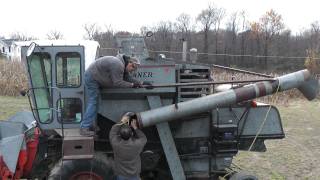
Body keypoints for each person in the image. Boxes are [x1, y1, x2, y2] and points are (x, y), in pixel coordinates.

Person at [80, 54, 150, 136]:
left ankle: (91, 125)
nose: (132, 71)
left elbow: (128, 78)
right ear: (130, 64)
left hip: (95, 77)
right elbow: (117, 83)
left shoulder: (123, 65)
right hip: (92, 77)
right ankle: (84, 127)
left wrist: (141, 83)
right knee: (93, 102)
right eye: (132, 69)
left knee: (96, 102)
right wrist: (132, 85)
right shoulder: (118, 65)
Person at [109, 112, 147, 180]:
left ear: (120, 135)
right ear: (132, 134)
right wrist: (135, 128)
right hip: (134, 176)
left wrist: (122, 121)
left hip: (121, 175)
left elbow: (112, 132)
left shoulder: (116, 144)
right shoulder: (137, 145)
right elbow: (144, 138)